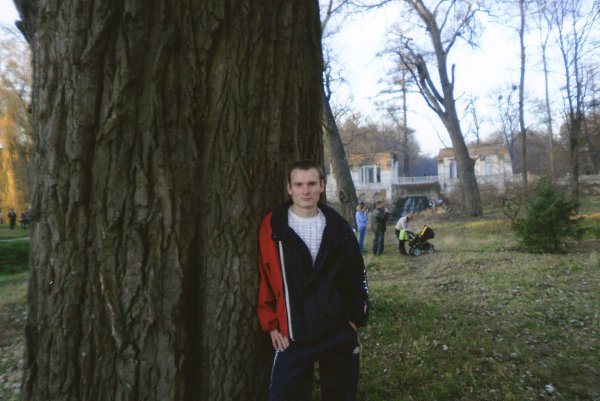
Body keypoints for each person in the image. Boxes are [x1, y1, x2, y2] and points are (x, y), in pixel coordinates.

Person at [257, 160, 370, 401]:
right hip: (293, 334)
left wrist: (354, 320)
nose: (305, 190)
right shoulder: (274, 226)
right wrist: (272, 325)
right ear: (289, 188)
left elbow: (355, 274)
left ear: (321, 186)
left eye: (311, 184)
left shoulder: (338, 228)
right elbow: (266, 277)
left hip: (336, 329)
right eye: (299, 185)